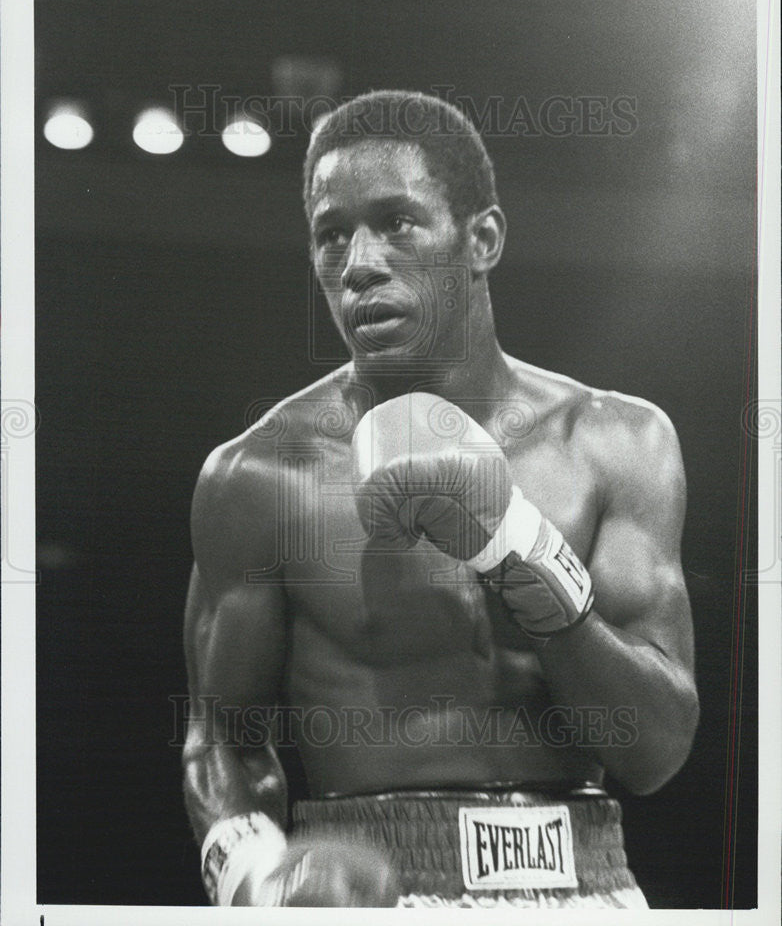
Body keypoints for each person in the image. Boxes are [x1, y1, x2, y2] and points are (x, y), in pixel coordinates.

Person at [182, 90, 699, 908]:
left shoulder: (614, 443)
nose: (357, 263)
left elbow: (656, 749)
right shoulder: (261, 476)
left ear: (482, 239)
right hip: (373, 892)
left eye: (395, 223)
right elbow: (222, 745)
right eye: (331, 234)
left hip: (588, 884)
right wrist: (258, 876)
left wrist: (519, 549)